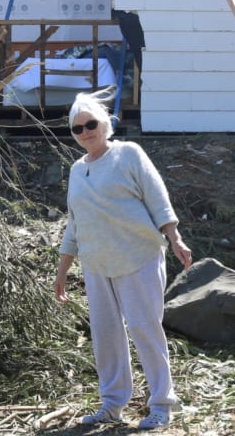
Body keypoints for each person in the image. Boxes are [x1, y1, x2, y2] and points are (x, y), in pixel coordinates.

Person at [53, 87, 193, 430]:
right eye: (77, 128)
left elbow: (157, 197)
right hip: (97, 264)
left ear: (105, 124)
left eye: (90, 124)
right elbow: (74, 223)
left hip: (138, 255)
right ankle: (112, 404)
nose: (85, 132)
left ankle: (162, 404)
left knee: (145, 329)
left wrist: (174, 237)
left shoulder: (128, 154)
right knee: (105, 335)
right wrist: (62, 271)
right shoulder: (76, 170)